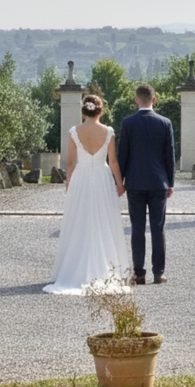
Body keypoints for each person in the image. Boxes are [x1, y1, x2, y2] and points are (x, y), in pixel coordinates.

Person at [43, 95, 131, 295]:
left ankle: (74, 269)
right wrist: (120, 183)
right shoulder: (108, 131)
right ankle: (107, 268)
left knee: (80, 220)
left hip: (81, 178)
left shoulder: (74, 131)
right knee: (103, 220)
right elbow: (113, 161)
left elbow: (70, 162)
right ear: (100, 110)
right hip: (102, 178)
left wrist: (69, 184)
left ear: (84, 111)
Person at [117, 84, 175, 285]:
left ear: (136, 100)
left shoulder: (127, 123)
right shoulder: (165, 123)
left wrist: (119, 182)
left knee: (137, 229)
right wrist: (170, 183)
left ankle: (139, 273)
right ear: (154, 100)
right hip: (159, 182)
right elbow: (169, 156)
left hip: (135, 183)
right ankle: (158, 273)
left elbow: (122, 155)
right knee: (158, 228)